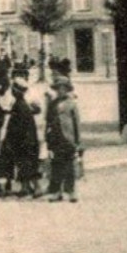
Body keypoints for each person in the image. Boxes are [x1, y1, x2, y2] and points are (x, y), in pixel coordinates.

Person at [3, 72, 41, 198]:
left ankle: (35, 188)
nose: (13, 92)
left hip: (24, 140)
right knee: (26, 163)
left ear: (18, 91)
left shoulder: (20, 106)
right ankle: (26, 187)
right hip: (28, 139)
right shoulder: (21, 104)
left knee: (27, 163)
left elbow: (17, 126)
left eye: (14, 90)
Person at [46, 75, 83, 203]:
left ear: (67, 89)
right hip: (56, 138)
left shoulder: (72, 103)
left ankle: (71, 191)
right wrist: (48, 139)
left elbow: (77, 123)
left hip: (68, 138)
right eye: (58, 88)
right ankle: (56, 191)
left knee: (69, 166)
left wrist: (78, 142)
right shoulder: (52, 104)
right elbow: (48, 122)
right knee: (56, 165)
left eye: (63, 88)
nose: (61, 91)